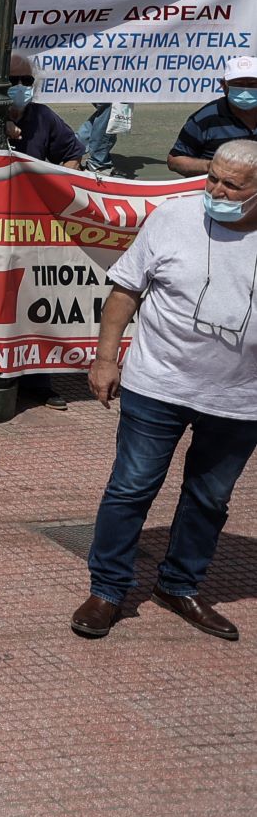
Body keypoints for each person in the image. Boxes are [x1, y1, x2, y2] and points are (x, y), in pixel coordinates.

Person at [71, 137, 257, 641]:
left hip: (240, 400)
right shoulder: (172, 217)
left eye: (232, 185)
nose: (215, 189)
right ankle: (107, 591)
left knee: (209, 498)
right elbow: (125, 290)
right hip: (158, 384)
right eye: (213, 177)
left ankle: (179, 585)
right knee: (130, 489)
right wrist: (105, 358)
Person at [167, 56, 257, 178]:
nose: (245, 90)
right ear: (224, 86)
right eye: (238, 85)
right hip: (218, 189)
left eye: (253, 85)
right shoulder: (205, 118)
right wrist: (213, 166)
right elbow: (175, 160)